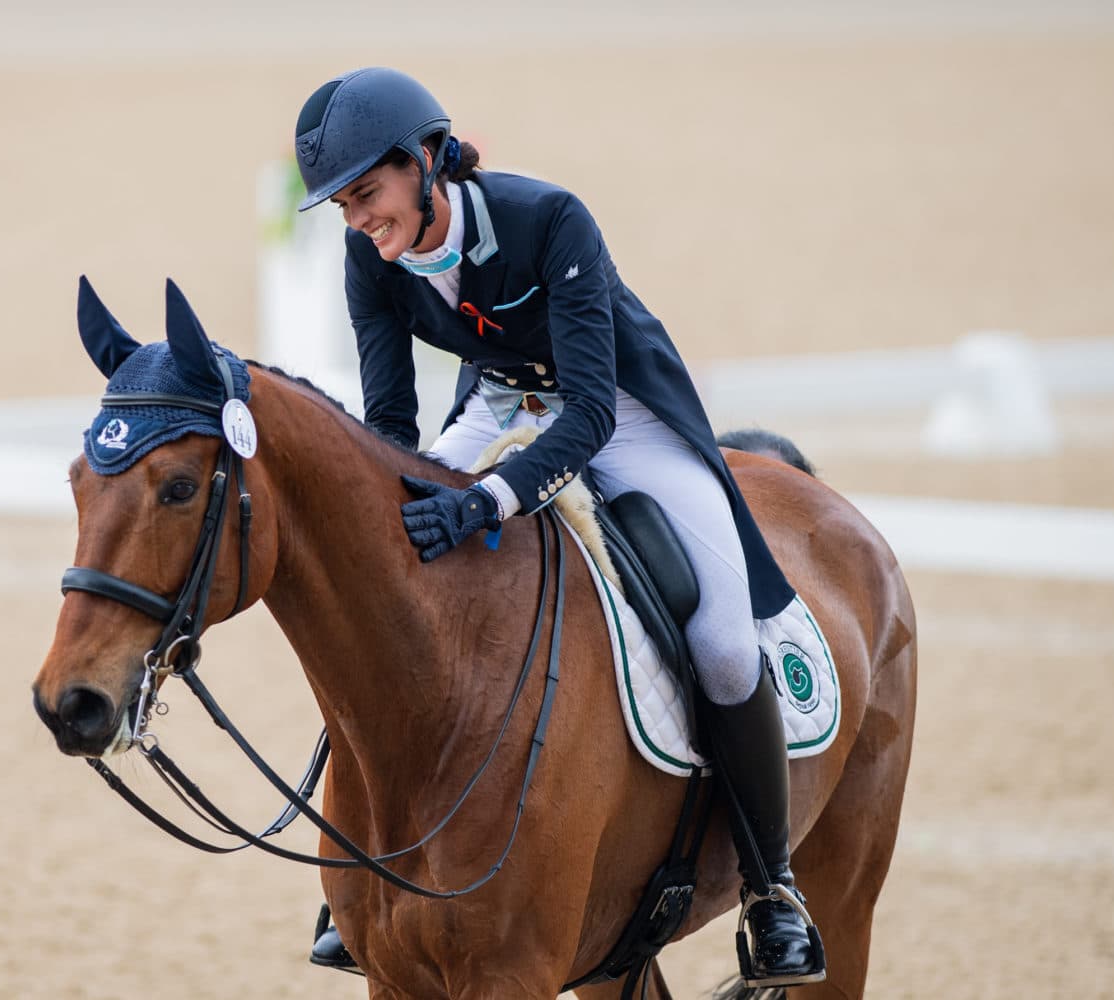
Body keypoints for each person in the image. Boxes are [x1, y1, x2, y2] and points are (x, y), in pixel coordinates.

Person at [294, 66, 824, 989]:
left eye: (367, 196)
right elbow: (388, 423)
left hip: (622, 412)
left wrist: (491, 500)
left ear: (424, 162)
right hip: (500, 405)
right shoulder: (369, 258)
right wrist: (403, 496)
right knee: (385, 580)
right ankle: (369, 860)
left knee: (727, 644)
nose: (360, 225)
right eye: (344, 207)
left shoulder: (550, 219)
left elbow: (587, 416)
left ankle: (774, 891)